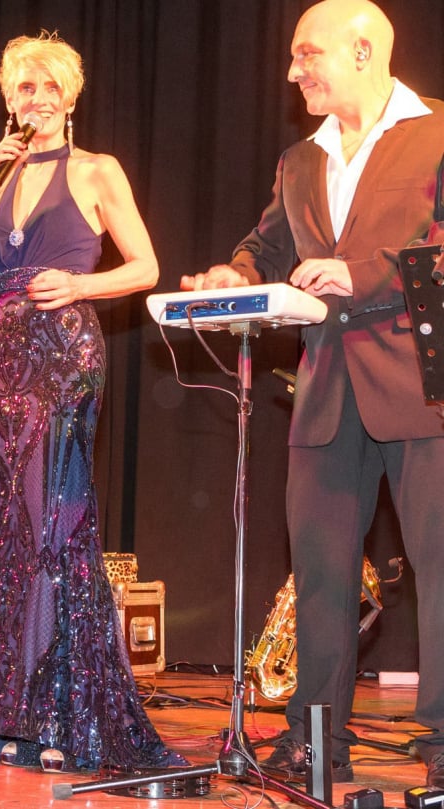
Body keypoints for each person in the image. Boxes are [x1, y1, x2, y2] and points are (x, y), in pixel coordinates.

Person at [180, 0, 444, 787]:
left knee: (440, 565)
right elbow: (266, 246)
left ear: (362, 51)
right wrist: (233, 271)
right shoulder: (300, 159)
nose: (293, 71)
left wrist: (360, 276)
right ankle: (314, 741)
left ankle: (443, 743)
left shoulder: (437, 132)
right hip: (327, 388)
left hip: (425, 382)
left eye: (307, 54)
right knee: (322, 574)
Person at [0, 32, 186, 771]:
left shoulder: (98, 169)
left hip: (64, 349)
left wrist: (79, 284)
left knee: (51, 523)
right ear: (9, 100)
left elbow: (145, 266)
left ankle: (59, 715)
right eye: (25, 88)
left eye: (50, 87)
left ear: (70, 97)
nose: (37, 99)